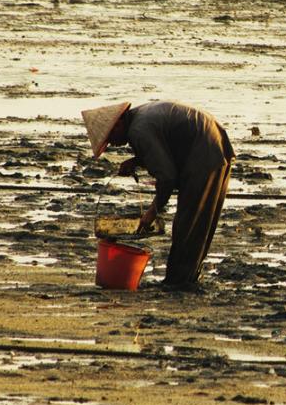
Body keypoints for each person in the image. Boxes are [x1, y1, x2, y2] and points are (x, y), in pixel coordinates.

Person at [81, 101, 234, 290]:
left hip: (205, 153)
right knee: (199, 223)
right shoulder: (140, 118)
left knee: (189, 222)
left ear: (118, 124)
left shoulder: (138, 130)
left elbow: (167, 177)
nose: (112, 144)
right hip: (213, 144)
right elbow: (165, 151)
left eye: (110, 138)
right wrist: (137, 161)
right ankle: (186, 278)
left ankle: (178, 282)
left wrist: (152, 211)